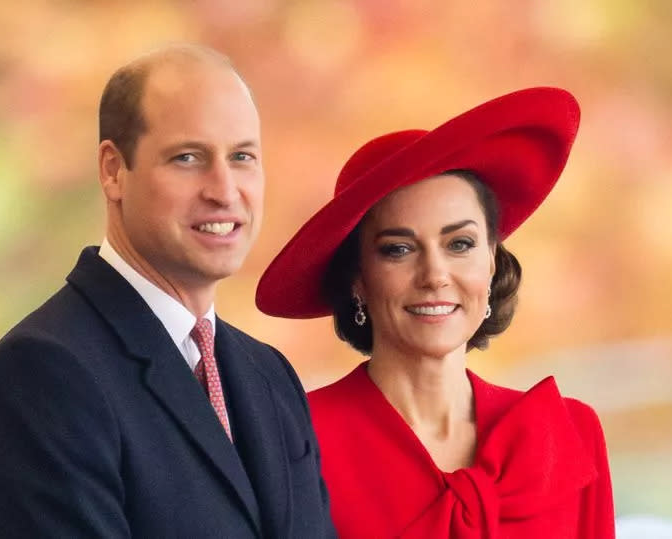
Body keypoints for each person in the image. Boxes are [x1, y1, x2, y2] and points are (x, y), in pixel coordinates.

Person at [0, 44, 335, 538]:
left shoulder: (269, 375)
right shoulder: (44, 374)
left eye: (242, 156)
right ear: (113, 170)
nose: (224, 190)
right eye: (188, 157)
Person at [256, 87, 615, 538]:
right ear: (357, 278)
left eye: (459, 244)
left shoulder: (567, 434)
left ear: (491, 262)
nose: (435, 275)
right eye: (399, 249)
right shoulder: (294, 443)